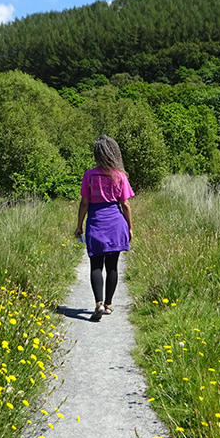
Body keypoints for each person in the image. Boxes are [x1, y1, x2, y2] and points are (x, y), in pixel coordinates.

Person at [75, 135, 134, 321]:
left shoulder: (89, 175)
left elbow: (84, 203)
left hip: (96, 224)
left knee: (96, 265)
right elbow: (125, 205)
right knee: (113, 266)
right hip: (116, 225)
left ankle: (98, 303)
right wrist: (130, 228)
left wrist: (79, 227)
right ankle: (109, 305)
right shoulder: (120, 176)